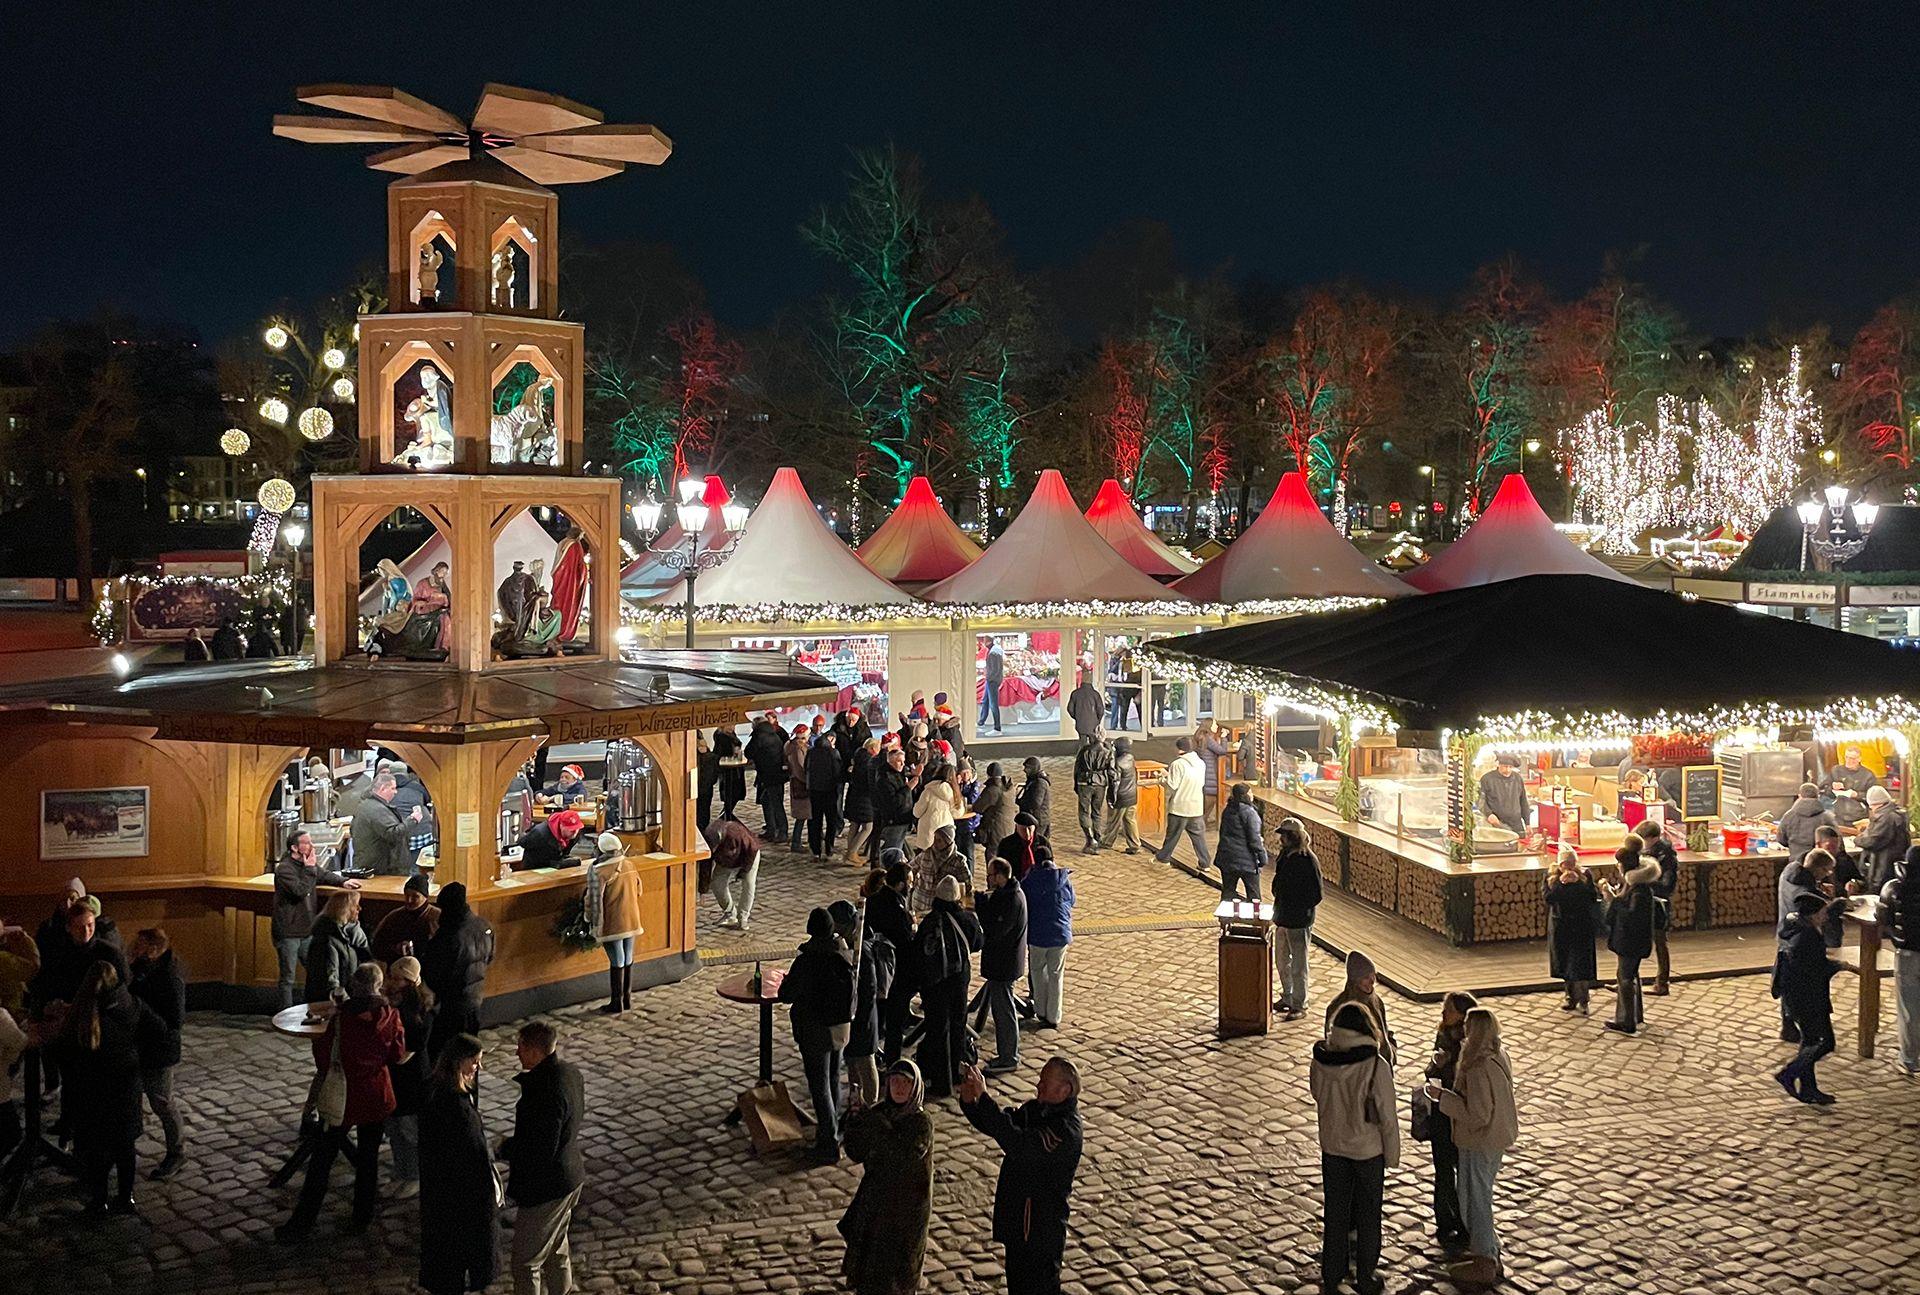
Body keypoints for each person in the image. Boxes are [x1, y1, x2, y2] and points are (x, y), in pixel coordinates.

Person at [278, 963, 406, 1240]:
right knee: (368, 1159)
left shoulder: (340, 1021)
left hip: (344, 1096)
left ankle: (302, 1222)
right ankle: (362, 1217)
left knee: (322, 1160)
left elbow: (324, 1061)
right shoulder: (391, 1016)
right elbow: (396, 1055)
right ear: (379, 986)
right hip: (376, 1095)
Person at [955, 1056, 1084, 1294]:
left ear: (1064, 1090)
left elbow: (1019, 1145)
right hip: (1019, 1222)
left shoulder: (1064, 1130)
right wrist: (970, 1102)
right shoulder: (1037, 1110)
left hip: (1040, 1230)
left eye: (1045, 1083)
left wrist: (984, 1098)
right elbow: (1000, 1127)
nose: (1038, 1086)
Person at [54, 961, 163, 1216]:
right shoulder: (131, 1005)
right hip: (126, 1087)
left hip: (93, 1092)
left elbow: (66, 1056)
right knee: (125, 1147)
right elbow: (159, 1029)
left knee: (97, 1150)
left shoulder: (82, 1017)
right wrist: (136, 1055)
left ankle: (99, 1200)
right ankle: (127, 1197)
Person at [1424, 1006, 1518, 1288]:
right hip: (1495, 1138)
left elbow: (1477, 1114)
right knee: (1479, 1197)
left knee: (1474, 1200)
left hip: (1479, 1140)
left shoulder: (1478, 1067)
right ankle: (1487, 1252)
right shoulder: (1498, 1054)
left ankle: (1485, 1259)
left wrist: (1443, 1098)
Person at [1311, 1001, 1399, 1295]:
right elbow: (1387, 1115)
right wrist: (1393, 1154)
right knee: (1368, 1214)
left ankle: (1332, 1270)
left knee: (1336, 1211)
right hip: (1367, 1150)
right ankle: (1366, 1274)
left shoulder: (1322, 1059)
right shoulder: (1375, 1064)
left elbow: (1316, 1094)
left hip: (1333, 1146)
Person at [499, 1021, 586, 1295]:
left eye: (521, 1046)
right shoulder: (570, 1073)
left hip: (547, 1188)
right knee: (556, 1247)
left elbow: (539, 1147)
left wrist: (505, 1149)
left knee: (525, 1261)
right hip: (570, 1176)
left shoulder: (542, 1093)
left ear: (535, 1051)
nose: (517, 1052)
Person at [838, 1058, 935, 1295]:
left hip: (904, 1213)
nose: (900, 1088)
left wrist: (871, 1122)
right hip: (875, 1207)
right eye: (895, 1081)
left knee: (896, 1280)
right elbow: (856, 1152)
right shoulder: (881, 1112)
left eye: (906, 1083)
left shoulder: (920, 1122)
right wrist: (855, 1122)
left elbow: (903, 1155)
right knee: (869, 1276)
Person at [418, 1033, 499, 1295]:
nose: (478, 1068)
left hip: (440, 1188)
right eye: (475, 1062)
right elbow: (471, 1152)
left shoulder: (435, 1091)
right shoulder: (455, 1106)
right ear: (459, 1062)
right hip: (458, 1192)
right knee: (456, 1253)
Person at [780, 907, 858, 1164]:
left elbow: (786, 994)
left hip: (815, 1028)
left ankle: (828, 1142)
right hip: (840, 1026)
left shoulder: (809, 959)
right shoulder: (843, 953)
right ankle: (832, 1129)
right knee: (834, 1078)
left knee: (819, 1084)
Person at [915, 876, 983, 1098]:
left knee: (937, 1028)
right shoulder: (966, 919)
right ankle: (958, 1072)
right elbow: (978, 942)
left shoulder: (930, 921)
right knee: (957, 1024)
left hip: (935, 983)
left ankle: (940, 1079)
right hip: (959, 979)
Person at [127, 928, 186, 1180]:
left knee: (162, 1102)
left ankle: (177, 1152)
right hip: (139, 1047)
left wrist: (141, 1010)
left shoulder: (169, 978)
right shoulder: (141, 970)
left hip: (159, 1051)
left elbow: (174, 1022)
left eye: (138, 946)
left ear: (152, 950)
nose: (133, 949)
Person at [1773, 892, 1841, 1104]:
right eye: (1822, 912)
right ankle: (1789, 1073)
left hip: (1797, 996)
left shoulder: (1796, 929)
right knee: (1826, 1042)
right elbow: (1814, 969)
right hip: (1808, 997)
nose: (1826, 916)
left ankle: (1809, 1088)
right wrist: (1838, 966)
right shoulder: (1808, 937)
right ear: (1813, 914)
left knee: (1810, 1041)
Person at [1422, 991, 1478, 1249]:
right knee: (1443, 1171)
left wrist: (1448, 1063)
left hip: (1461, 1114)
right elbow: (1431, 1071)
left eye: (1449, 1008)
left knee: (1465, 1172)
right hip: (1441, 1114)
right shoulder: (1443, 1033)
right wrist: (1435, 1065)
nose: (1444, 1012)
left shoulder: (1471, 1041)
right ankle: (1445, 1220)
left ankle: (1466, 1222)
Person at [384, 954, 436, 1199]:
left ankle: (414, 1175)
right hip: (394, 1078)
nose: (390, 981)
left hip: (411, 1080)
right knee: (394, 1128)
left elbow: (409, 1050)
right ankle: (402, 1172)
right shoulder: (393, 1003)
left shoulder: (417, 1011)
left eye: (396, 978)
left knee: (408, 1130)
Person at [422, 883, 494, 1058]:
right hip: (475, 997)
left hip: (451, 1004)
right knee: (470, 1049)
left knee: (446, 1053)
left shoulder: (449, 936)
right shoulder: (483, 925)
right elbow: (489, 957)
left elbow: (434, 973)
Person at [835, 896, 894, 1107]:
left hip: (863, 1016)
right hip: (851, 1015)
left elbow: (868, 988)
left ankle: (871, 1105)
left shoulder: (864, 952)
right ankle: (855, 1101)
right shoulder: (849, 946)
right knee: (852, 1060)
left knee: (866, 1061)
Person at [977, 858, 1029, 1075]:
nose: (988, 879)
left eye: (990, 875)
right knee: (1001, 1009)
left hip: (1004, 964)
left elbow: (996, 930)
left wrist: (981, 908)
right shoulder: (1008, 893)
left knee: (1004, 1012)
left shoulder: (1012, 900)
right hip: (1002, 963)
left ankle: (1009, 1056)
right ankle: (1006, 1054)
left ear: (1000, 876)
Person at [1602, 839, 1659, 1035]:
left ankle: (1626, 1020)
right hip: (1633, 939)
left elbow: (1631, 916)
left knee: (1625, 978)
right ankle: (1636, 1015)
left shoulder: (1638, 890)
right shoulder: (1638, 885)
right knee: (1631, 974)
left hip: (1630, 940)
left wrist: (1612, 900)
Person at [584, 831, 644, 1014]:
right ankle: (626, 998)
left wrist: (590, 921)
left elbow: (593, 901)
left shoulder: (598, 870)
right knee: (627, 956)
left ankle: (615, 1002)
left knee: (616, 959)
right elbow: (639, 890)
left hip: (612, 921)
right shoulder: (629, 864)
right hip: (632, 918)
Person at [867, 859, 918, 1065]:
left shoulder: (873, 900)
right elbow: (905, 939)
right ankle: (890, 1059)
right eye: (910, 882)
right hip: (893, 967)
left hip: (874, 966)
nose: (912, 886)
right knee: (893, 1017)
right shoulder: (897, 908)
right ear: (901, 884)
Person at [1271, 818, 1322, 1020]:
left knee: (1299, 965)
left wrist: (1298, 906)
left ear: (1292, 837)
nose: (1281, 838)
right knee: (1282, 961)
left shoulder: (1308, 860)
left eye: (1283, 835)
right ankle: (1288, 996)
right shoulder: (1285, 856)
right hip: (1282, 917)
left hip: (1299, 920)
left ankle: (1299, 1004)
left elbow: (1316, 894)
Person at [1022, 848, 1075, 1032]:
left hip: (1037, 934)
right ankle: (1054, 1015)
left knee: (1037, 972)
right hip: (1060, 934)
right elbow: (1072, 900)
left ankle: (1041, 1010)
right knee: (1056, 974)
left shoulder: (1029, 880)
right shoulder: (1063, 879)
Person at [1880, 846, 1920, 1075]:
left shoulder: (1894, 888)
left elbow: (1882, 917)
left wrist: (1894, 935)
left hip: (1907, 954)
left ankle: (1909, 1059)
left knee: (1909, 1009)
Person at [1545, 847, 1601, 1013]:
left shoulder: (1585, 876)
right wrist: (1561, 884)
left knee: (1581, 964)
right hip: (1561, 926)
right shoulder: (1550, 878)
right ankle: (1570, 996)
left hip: (1581, 925)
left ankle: (1584, 998)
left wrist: (1577, 883)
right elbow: (1549, 898)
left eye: (1571, 863)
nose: (1568, 868)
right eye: (1565, 864)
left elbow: (1591, 897)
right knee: (1565, 962)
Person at [1633, 819, 1681, 995]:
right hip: (1646, 901)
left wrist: (1646, 884)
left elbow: (1667, 884)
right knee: (1635, 942)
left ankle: (1662, 982)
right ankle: (1631, 980)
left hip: (1658, 903)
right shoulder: (1650, 852)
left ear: (1653, 838)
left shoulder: (1665, 855)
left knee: (1660, 942)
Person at [1153, 738, 1213, 873]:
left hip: (1180, 806)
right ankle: (1205, 862)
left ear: (1179, 749)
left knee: (1172, 835)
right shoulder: (1200, 763)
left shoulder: (1177, 764)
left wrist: (1162, 777)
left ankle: (1163, 858)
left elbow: (1173, 785)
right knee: (1198, 837)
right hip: (1196, 806)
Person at [1324, 950, 1395, 1062]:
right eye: (1366, 977)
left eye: (1373, 975)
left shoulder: (1376, 1001)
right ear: (1355, 980)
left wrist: (1390, 1047)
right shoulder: (1337, 1007)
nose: (1372, 981)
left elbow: (1384, 1031)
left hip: (1380, 1066)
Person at [304, 889, 372, 1004]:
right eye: (356, 906)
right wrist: (344, 1002)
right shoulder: (325, 939)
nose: (360, 909)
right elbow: (329, 977)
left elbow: (367, 959)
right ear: (345, 910)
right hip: (328, 1000)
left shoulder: (353, 934)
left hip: (347, 997)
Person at [353, 770, 422, 877]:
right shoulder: (377, 809)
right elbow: (393, 833)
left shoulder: (367, 804)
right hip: (382, 870)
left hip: (374, 865)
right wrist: (413, 820)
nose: (396, 792)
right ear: (383, 789)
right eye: (393, 788)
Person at [706, 816, 762, 934]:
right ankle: (730, 913)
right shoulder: (709, 839)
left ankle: (743, 918)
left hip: (749, 855)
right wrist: (702, 889)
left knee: (749, 884)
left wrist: (742, 872)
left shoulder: (738, 835)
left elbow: (753, 849)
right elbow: (705, 865)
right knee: (717, 883)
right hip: (727, 860)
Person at [1214, 782, 1267, 902]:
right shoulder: (1250, 813)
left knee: (1228, 892)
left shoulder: (1228, 810)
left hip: (1226, 858)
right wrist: (1262, 858)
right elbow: (1255, 840)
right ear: (1247, 795)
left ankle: (1225, 918)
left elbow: (1223, 832)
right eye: (1251, 792)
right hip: (1247, 861)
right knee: (1254, 895)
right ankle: (1254, 918)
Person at [372, 873, 439, 965]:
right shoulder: (394, 917)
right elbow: (377, 945)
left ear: (425, 897)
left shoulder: (437, 917)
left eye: (415, 896)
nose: (409, 900)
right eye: (407, 895)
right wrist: (396, 948)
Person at [1857, 785, 1912, 891]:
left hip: (1882, 867)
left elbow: (1873, 840)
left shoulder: (1886, 818)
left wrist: (1857, 839)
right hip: (1892, 864)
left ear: (1875, 803)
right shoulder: (1896, 813)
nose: (1871, 809)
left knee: (1880, 895)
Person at [909, 826, 970, 918]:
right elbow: (910, 868)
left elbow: (967, 884)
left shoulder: (958, 861)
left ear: (948, 842)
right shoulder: (926, 854)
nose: (935, 843)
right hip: (919, 903)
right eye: (935, 839)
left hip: (941, 909)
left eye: (939, 840)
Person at [747, 716, 790, 841]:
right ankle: (772, 829)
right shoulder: (773, 733)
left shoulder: (759, 736)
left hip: (769, 774)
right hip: (776, 773)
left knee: (776, 804)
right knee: (767, 800)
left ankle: (782, 831)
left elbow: (749, 752)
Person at [872, 746, 917, 861]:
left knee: (906, 853)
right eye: (899, 761)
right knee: (892, 852)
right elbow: (893, 802)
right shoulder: (885, 778)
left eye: (903, 761)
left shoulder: (899, 773)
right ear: (890, 761)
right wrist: (908, 788)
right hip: (894, 820)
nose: (902, 765)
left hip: (902, 818)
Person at [1069, 736, 1113, 854]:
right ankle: (1097, 839)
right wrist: (1112, 788)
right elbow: (1111, 771)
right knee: (1097, 812)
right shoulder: (1107, 752)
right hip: (1100, 784)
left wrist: (1075, 783)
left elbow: (1077, 768)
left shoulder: (1084, 751)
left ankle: (1090, 838)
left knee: (1084, 811)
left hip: (1084, 782)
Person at [1098, 737, 1142, 853]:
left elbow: (1114, 781)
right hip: (1131, 795)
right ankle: (1135, 844)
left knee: (1113, 820)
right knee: (1130, 820)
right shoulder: (1130, 758)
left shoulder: (1117, 763)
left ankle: (1107, 841)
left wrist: (1111, 798)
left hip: (1120, 796)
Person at [843, 737, 881, 865]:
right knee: (867, 827)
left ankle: (850, 852)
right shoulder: (868, 762)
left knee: (854, 825)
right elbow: (869, 782)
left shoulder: (859, 758)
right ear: (871, 749)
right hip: (864, 799)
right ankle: (852, 852)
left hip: (854, 796)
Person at [808, 730, 845, 858]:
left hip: (814, 791)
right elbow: (837, 772)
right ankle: (829, 847)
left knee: (814, 821)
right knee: (831, 820)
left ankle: (815, 849)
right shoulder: (833, 753)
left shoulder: (811, 753)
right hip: (830, 791)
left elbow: (806, 768)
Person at [1779, 782, 1837, 865]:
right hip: (1821, 865)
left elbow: (1781, 839)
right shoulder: (1827, 817)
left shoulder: (1789, 815)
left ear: (1799, 796)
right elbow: (1835, 841)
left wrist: (1794, 846)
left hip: (1796, 862)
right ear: (1818, 796)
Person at [1476, 753, 1531, 835]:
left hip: (1516, 824)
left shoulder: (1517, 778)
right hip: (1496, 824)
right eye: (1505, 767)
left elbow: (1523, 801)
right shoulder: (1487, 779)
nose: (1508, 770)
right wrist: (1489, 814)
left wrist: (1527, 823)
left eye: (1510, 767)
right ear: (1499, 764)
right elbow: (1480, 800)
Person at [1824, 745, 1880, 823]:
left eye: (1852, 758)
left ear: (1859, 759)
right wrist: (1832, 788)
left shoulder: (1868, 775)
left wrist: (1857, 795)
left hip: (1859, 817)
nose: (1848, 761)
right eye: (1847, 757)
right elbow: (1825, 790)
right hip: (1838, 815)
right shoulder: (1836, 771)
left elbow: (1874, 798)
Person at [515, 808, 584, 871]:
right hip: (534, 866)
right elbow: (522, 843)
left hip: (555, 865)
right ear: (561, 825)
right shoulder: (540, 833)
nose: (575, 832)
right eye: (571, 829)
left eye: (577, 828)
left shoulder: (574, 834)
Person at [1193, 720, 1233, 825]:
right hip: (1211, 772)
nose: (1216, 726)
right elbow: (1221, 751)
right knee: (1211, 797)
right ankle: (1201, 822)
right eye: (1215, 724)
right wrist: (1224, 738)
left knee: (1207, 798)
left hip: (1205, 770)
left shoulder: (1200, 737)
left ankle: (1202, 821)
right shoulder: (1208, 739)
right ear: (1209, 726)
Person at [998, 812, 1052, 881]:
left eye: (1029, 829)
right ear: (1016, 827)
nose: (1027, 833)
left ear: (1034, 828)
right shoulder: (1006, 844)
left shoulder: (1043, 842)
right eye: (1023, 829)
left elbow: (1050, 866)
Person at [786, 723, 814, 853]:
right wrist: (808, 782)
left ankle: (801, 840)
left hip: (798, 783)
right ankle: (796, 842)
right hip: (801, 784)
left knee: (804, 815)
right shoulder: (798, 749)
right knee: (802, 815)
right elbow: (799, 768)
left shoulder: (793, 746)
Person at [713, 726, 748, 823]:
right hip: (728, 768)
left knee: (735, 793)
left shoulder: (731, 735)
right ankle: (725, 815)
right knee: (731, 792)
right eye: (729, 725)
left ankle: (726, 814)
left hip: (735, 767)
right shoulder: (721, 736)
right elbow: (720, 752)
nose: (732, 727)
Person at [1066, 671, 1103, 743]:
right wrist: (1098, 720)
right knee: (1094, 744)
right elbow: (1100, 710)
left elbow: (1070, 709)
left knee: (1082, 743)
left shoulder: (1075, 693)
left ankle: (1082, 753)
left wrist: (1077, 717)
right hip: (1093, 724)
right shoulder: (1095, 694)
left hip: (1080, 723)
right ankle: (1092, 754)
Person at [1016, 755, 1052, 827]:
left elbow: (1035, 803)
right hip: (1036, 820)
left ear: (1033, 768)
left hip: (1038, 822)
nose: (1024, 770)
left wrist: (1020, 801)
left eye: (1027, 767)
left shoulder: (1040, 783)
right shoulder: (1033, 781)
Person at [980, 639, 1006, 733]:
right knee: (985, 700)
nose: (983, 642)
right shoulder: (995, 650)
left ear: (989, 641)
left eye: (985, 640)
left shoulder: (993, 653)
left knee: (993, 704)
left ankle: (997, 728)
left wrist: (989, 678)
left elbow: (996, 669)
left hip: (992, 681)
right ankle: (981, 721)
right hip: (991, 680)